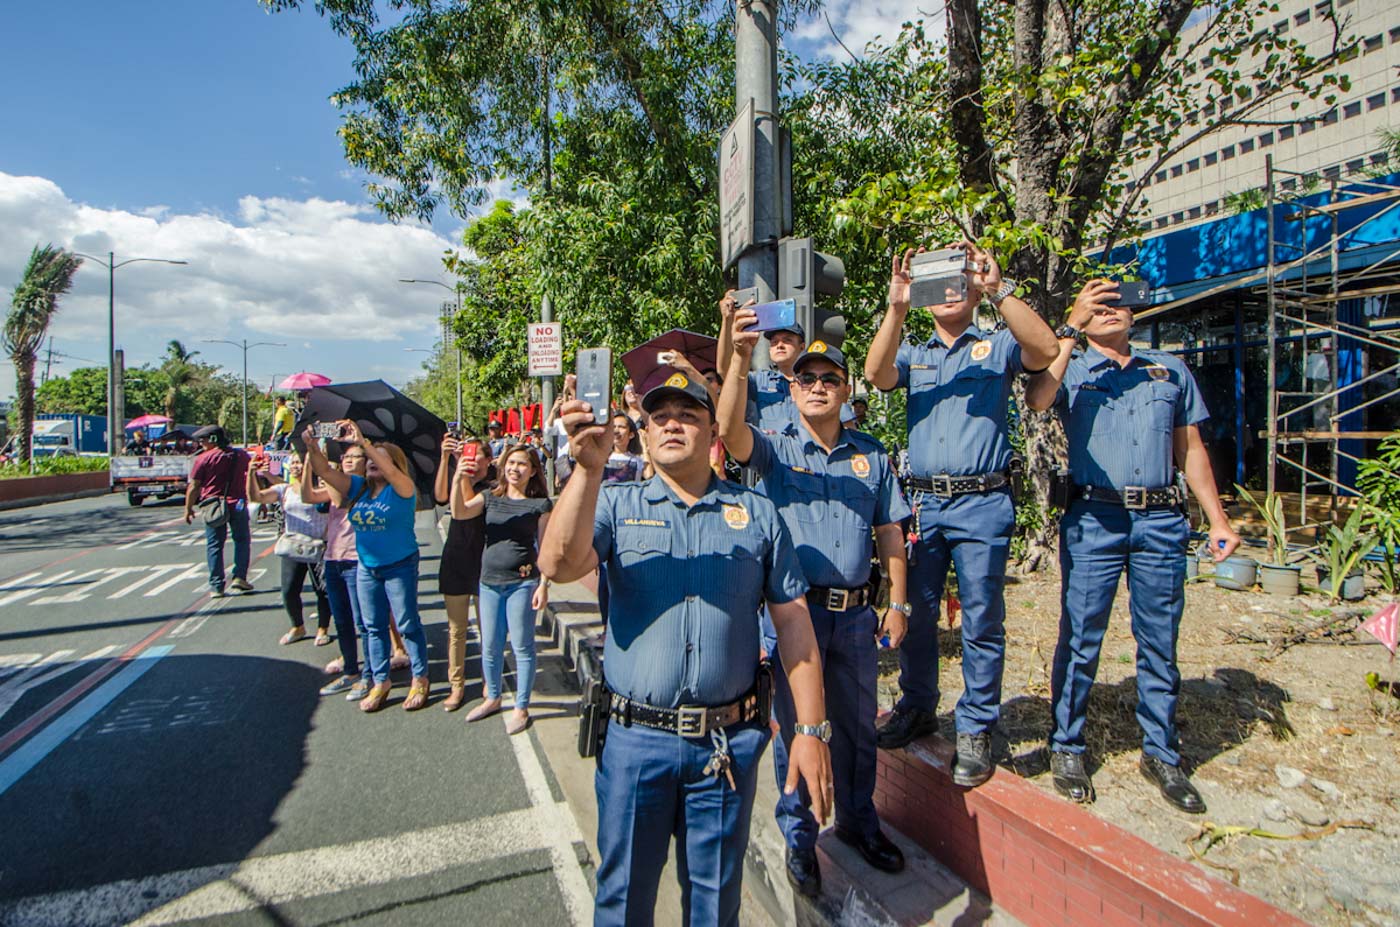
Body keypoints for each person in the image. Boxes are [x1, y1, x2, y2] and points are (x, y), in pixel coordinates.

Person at [539, 368, 833, 927]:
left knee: (714, 905)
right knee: (623, 899)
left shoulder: (758, 514)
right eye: (660, 417)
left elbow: (794, 628)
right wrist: (587, 468)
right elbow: (557, 564)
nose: (673, 425)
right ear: (644, 433)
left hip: (724, 747)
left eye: (689, 415)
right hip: (634, 745)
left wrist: (811, 733)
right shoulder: (616, 504)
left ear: (713, 434)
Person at [1025, 280, 1241, 813]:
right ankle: (1067, 745)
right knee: (1080, 635)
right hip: (1094, 516)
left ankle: (1162, 752)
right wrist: (1070, 328)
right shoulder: (1070, 365)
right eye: (1097, 305)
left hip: (1161, 522)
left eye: (1117, 303)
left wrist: (1217, 518)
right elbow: (1037, 399)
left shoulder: (1169, 370)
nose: (1109, 311)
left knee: (1159, 638)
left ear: (1135, 312)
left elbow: (1189, 448)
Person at [720, 312, 912, 895]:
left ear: (846, 388)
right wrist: (736, 355)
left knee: (858, 729)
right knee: (802, 728)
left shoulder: (871, 456)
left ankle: (858, 823)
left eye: (830, 377)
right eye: (808, 378)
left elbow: (889, 533)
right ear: (794, 387)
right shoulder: (774, 451)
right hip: (793, 619)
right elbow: (729, 431)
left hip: (855, 617)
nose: (819, 385)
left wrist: (897, 602)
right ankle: (800, 840)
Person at [864, 243, 1059, 786]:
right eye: (937, 281)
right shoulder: (915, 352)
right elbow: (877, 374)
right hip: (925, 503)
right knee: (919, 613)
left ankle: (975, 725)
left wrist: (1000, 289)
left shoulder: (996, 345)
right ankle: (919, 705)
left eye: (959, 279)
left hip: (982, 502)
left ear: (973, 289)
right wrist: (897, 307)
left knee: (980, 618)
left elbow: (1043, 351)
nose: (949, 290)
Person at [302, 422, 431, 713]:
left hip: (399, 565)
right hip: (367, 567)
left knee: (408, 623)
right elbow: (325, 472)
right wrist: (311, 445)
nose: (372, 462)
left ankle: (420, 678)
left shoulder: (403, 489)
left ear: (393, 464)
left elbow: (394, 473)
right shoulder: (359, 488)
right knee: (372, 627)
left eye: (379, 459)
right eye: (369, 459)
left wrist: (366, 443)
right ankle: (380, 681)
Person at [451, 444, 553, 734]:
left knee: (522, 647)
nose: (515, 468)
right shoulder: (489, 497)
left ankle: (521, 707)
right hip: (489, 581)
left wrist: (544, 585)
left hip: (522, 582)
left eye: (522, 464)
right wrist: (459, 477)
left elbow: (545, 548)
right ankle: (493, 697)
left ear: (533, 470)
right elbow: (460, 512)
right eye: (511, 462)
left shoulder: (540, 505)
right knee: (490, 645)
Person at [301, 443, 369, 698]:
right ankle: (351, 671)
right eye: (346, 456)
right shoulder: (335, 481)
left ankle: (371, 675)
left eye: (356, 456)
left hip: (356, 558)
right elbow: (308, 496)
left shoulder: (363, 485)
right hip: (333, 558)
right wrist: (311, 462)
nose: (349, 460)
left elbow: (339, 499)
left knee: (363, 621)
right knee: (341, 621)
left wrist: (325, 468)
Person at [247, 453, 332, 647]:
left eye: (300, 462)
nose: (296, 466)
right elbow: (256, 497)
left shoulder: (323, 489)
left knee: (323, 591)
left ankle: (323, 628)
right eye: (292, 462)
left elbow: (317, 500)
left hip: (318, 546)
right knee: (289, 590)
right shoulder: (284, 489)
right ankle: (297, 626)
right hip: (294, 546)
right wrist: (251, 474)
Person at [435, 435, 494, 711]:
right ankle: (456, 686)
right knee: (456, 630)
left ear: (489, 459)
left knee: (488, 628)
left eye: (475, 454)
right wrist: (447, 460)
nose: (470, 458)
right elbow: (441, 498)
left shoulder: (494, 486)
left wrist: (462, 475)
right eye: (466, 452)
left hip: (484, 560)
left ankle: (488, 680)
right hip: (456, 557)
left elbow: (464, 509)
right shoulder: (457, 474)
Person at [717, 290, 805, 432]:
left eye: (787, 340)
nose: (779, 345)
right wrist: (727, 320)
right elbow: (726, 370)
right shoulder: (759, 380)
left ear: (802, 347)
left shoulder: (815, 382)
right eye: (774, 342)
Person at [184, 425, 253, 598]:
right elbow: (251, 477)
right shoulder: (241, 455)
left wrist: (188, 508)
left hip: (213, 505)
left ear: (213, 440)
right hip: (238, 503)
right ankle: (240, 577)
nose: (202, 445)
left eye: (203, 441)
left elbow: (194, 486)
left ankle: (216, 586)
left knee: (215, 545)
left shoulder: (203, 459)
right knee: (242, 541)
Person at [603, 413, 645, 483]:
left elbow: (648, 475)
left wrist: (644, 446)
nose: (616, 431)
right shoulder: (602, 458)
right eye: (613, 427)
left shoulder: (637, 460)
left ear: (631, 434)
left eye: (621, 427)